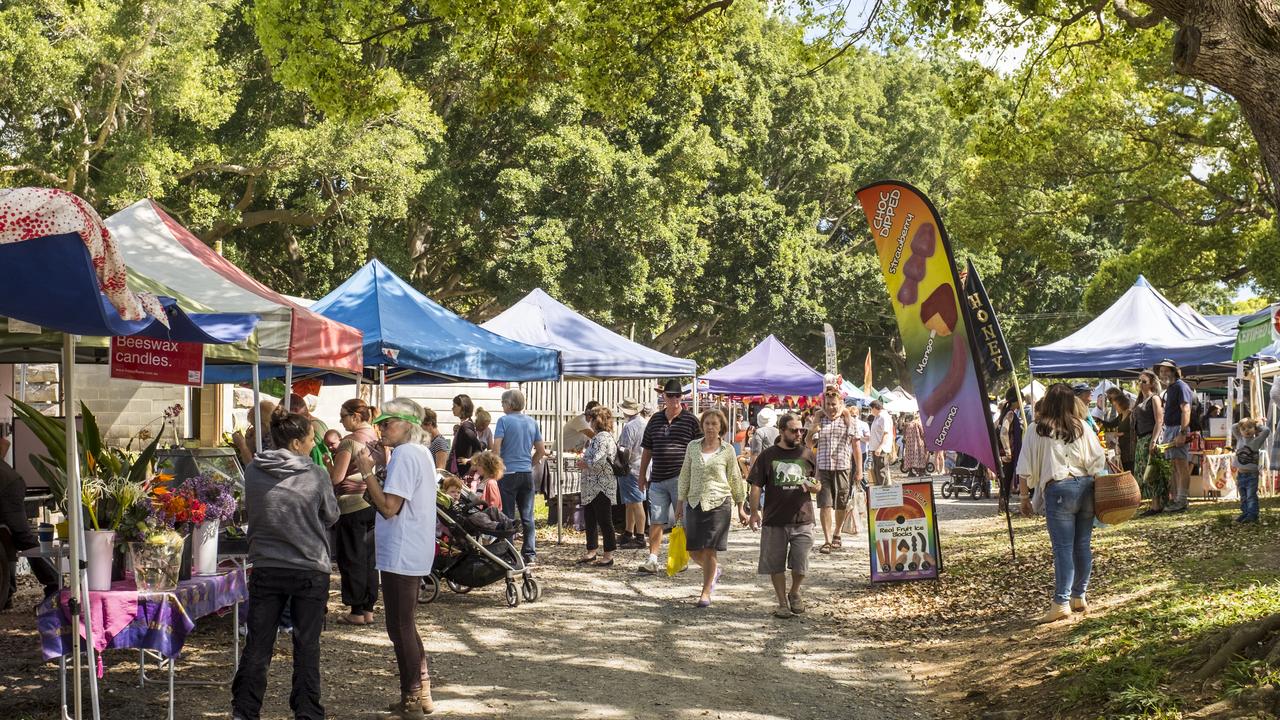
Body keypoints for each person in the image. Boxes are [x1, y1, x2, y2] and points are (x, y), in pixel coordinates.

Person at [232, 405, 339, 720]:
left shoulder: (253, 470)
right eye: (309, 439)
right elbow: (331, 515)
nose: (312, 444)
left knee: (258, 645)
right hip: (309, 566)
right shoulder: (315, 473)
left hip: (267, 565)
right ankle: (307, 712)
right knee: (307, 645)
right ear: (295, 443)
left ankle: (245, 710)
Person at [354, 398, 439, 718]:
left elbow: (390, 508)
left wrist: (367, 473)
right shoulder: (418, 453)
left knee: (399, 625)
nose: (381, 429)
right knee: (405, 624)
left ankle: (412, 696)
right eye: (381, 423)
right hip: (410, 546)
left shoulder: (406, 454)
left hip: (402, 548)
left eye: (388, 423)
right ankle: (422, 690)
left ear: (408, 426)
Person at [1016, 382, 1105, 624]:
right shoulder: (1081, 427)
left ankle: (1061, 602)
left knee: (1063, 548)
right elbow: (1098, 459)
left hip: (1059, 489)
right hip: (1086, 486)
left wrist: (1024, 498)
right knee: (1083, 544)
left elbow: (1024, 468)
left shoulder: (1037, 429)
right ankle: (1079, 596)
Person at [748, 413, 819, 619]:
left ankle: (795, 591)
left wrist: (814, 487)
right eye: (794, 430)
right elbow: (756, 486)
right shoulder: (767, 456)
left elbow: (817, 484)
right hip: (774, 519)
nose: (799, 434)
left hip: (803, 518)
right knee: (775, 564)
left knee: (801, 562)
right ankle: (781, 603)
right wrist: (753, 513)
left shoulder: (807, 454)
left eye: (801, 430)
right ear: (781, 431)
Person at [676, 409, 748, 607]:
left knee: (709, 550)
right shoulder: (692, 447)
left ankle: (705, 592)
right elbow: (685, 476)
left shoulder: (727, 450)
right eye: (707, 423)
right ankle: (714, 569)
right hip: (694, 502)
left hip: (719, 504)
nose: (710, 427)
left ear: (721, 428)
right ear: (702, 425)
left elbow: (735, 477)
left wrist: (741, 507)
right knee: (692, 549)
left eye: (714, 424)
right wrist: (680, 503)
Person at [637, 379, 703, 574]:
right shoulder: (655, 420)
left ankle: (681, 557)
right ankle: (653, 559)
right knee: (656, 520)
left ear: (682, 397)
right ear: (663, 396)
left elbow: (699, 451)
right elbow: (647, 450)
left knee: (682, 520)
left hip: (681, 479)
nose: (674, 399)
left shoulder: (691, 420)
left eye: (677, 395)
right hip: (657, 478)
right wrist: (642, 475)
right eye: (670, 395)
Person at [327, 399, 383, 626]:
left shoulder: (349, 442)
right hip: (372, 501)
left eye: (343, 415)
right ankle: (368, 609)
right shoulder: (377, 439)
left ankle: (356, 611)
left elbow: (336, 478)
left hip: (351, 505)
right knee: (369, 559)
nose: (341, 420)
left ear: (356, 417)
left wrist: (326, 464)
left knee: (351, 557)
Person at [0, 436, 60, 609]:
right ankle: (8, 592)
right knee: (7, 535)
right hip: (8, 480)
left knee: (22, 537)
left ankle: (55, 585)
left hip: (6, 485)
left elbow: (4, 442)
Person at [491, 388, 546, 565]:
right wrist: (529, 463)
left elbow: (496, 448)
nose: (502, 406)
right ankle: (530, 553)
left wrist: (495, 466)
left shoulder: (503, 421)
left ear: (508, 404)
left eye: (502, 403)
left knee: (507, 515)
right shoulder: (531, 421)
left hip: (507, 473)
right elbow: (541, 450)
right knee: (527, 516)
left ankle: (510, 551)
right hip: (526, 473)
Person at [806, 389, 861, 553]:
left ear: (841, 404)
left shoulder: (848, 420)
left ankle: (837, 533)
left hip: (842, 467)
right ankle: (827, 540)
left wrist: (859, 470)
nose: (831, 408)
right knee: (825, 504)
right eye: (828, 404)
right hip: (822, 468)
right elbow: (809, 444)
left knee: (841, 503)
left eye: (834, 404)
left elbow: (856, 446)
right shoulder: (819, 420)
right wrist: (813, 427)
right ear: (823, 405)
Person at [578, 407, 619, 566]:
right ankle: (592, 550)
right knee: (590, 518)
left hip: (601, 485)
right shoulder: (599, 437)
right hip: (593, 485)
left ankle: (608, 554)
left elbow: (598, 460)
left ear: (598, 420)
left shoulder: (602, 438)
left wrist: (584, 463)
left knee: (604, 520)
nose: (590, 421)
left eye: (592, 418)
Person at [1155, 359, 1194, 512]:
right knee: (1174, 466)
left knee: (1181, 465)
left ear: (1174, 372)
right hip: (1170, 428)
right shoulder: (1171, 388)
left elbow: (1186, 410)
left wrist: (1182, 433)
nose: (1163, 373)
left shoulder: (1181, 386)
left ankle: (1182, 500)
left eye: (1167, 370)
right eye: (1161, 371)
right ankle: (1176, 499)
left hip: (1178, 428)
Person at [1131, 371, 1166, 515]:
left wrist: (1154, 440)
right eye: (1139, 381)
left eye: (1144, 381)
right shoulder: (1140, 400)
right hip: (1141, 439)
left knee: (1151, 472)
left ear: (1151, 383)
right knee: (1143, 471)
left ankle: (1157, 505)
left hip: (1150, 438)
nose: (1140, 384)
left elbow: (1159, 420)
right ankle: (1153, 504)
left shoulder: (1155, 398)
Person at [616, 398, 648, 548]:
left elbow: (624, 449)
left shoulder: (630, 427)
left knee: (636, 503)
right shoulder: (644, 423)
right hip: (642, 466)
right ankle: (629, 533)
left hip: (631, 468)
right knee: (631, 502)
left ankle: (640, 536)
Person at [1232, 417, 1270, 523]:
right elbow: (1233, 427)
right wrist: (1243, 422)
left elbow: (1267, 430)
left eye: (1249, 428)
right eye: (1243, 429)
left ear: (1255, 429)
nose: (1247, 430)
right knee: (1243, 496)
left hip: (1252, 475)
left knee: (1251, 496)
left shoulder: (1256, 440)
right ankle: (1245, 513)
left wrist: (1256, 424)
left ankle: (1252, 515)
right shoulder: (1239, 438)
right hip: (1240, 474)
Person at [997, 387, 1025, 501]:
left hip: (1008, 451)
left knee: (1006, 480)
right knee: (1007, 480)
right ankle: (1004, 506)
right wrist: (1008, 452)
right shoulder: (1010, 413)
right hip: (1009, 452)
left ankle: (1004, 505)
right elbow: (1003, 432)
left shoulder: (1007, 412)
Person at [232, 399, 277, 466]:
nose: (252, 429)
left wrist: (242, 445)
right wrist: (250, 445)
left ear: (264, 424)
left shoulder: (272, 441)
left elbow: (253, 469)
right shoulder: (265, 437)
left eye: (254, 425)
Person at [448, 394, 483, 476]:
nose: (452, 408)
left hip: (463, 472)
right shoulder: (466, 424)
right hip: (461, 471)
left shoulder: (465, 427)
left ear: (462, 407)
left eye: (455, 406)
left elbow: (478, 447)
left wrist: (469, 460)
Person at [1101, 388, 1135, 472]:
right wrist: (1099, 420)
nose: (1115, 408)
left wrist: (1121, 434)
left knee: (1131, 470)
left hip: (1130, 450)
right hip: (1123, 449)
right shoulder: (1120, 416)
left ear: (1121, 404)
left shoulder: (1131, 415)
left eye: (1116, 406)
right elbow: (1110, 424)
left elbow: (1135, 432)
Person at [868, 400, 895, 486]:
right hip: (875, 448)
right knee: (877, 471)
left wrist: (880, 447)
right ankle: (879, 491)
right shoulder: (877, 417)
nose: (871, 411)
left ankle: (884, 492)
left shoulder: (884, 417)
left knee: (881, 472)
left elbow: (886, 434)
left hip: (881, 449)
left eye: (871, 409)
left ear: (875, 408)